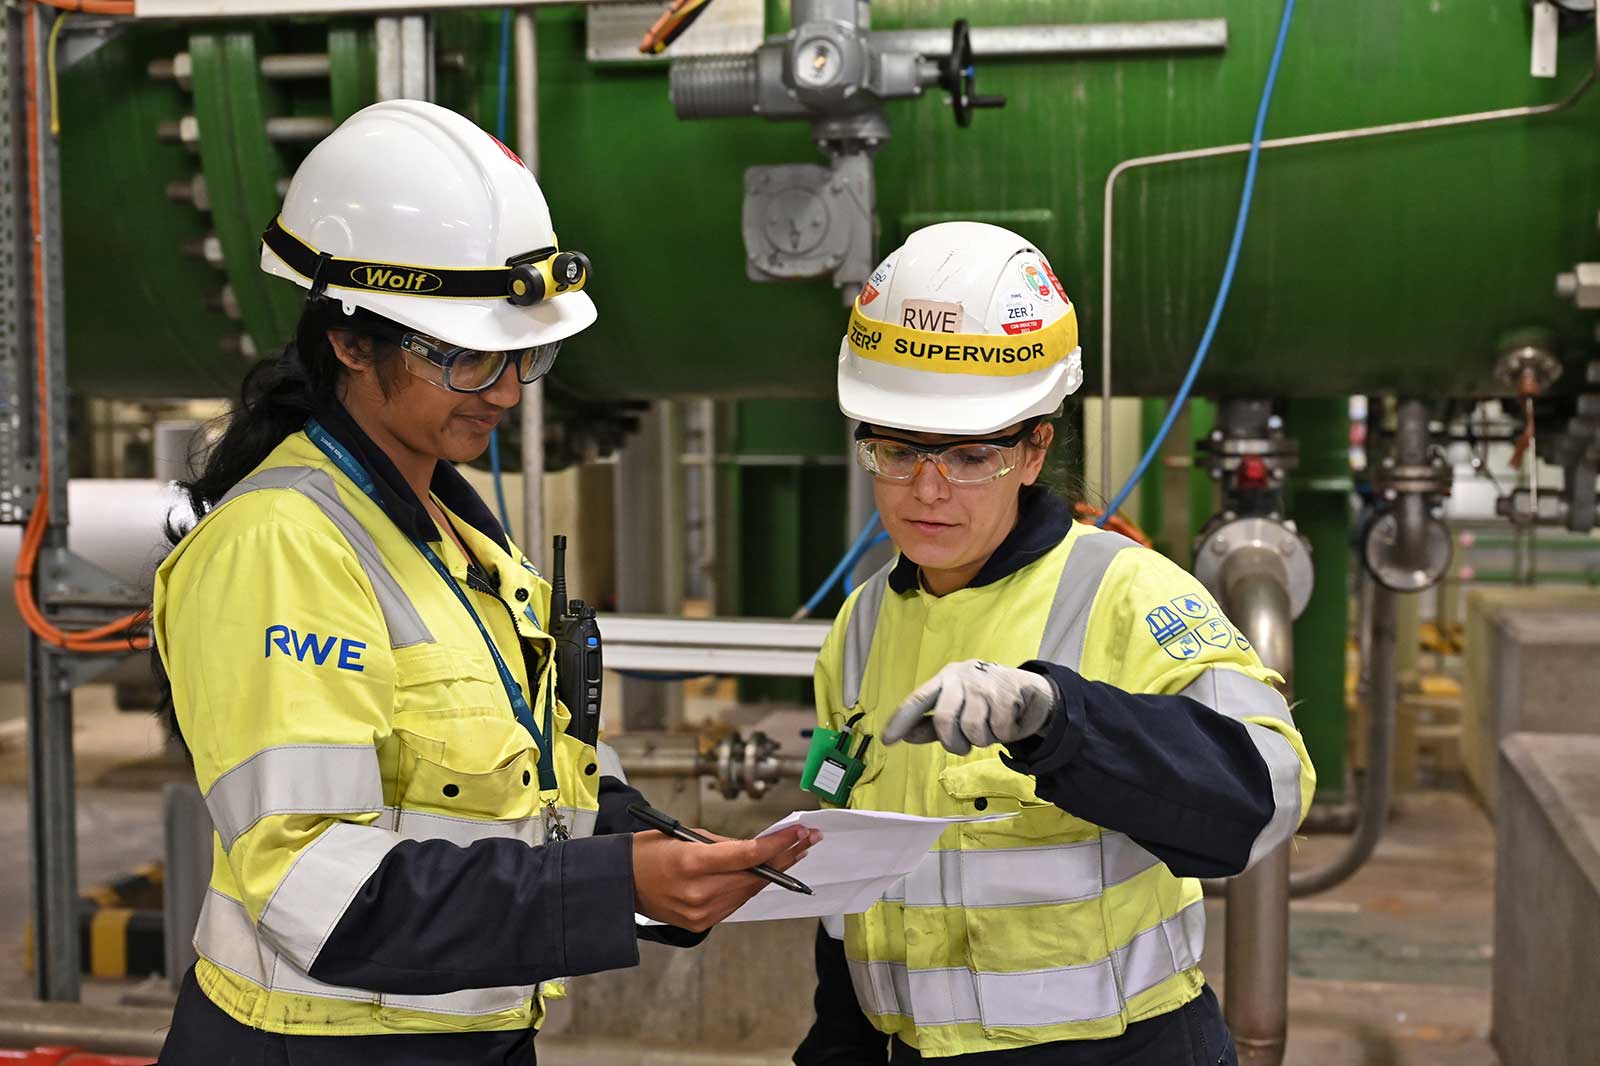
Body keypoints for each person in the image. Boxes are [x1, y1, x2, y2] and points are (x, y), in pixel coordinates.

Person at [151, 99, 815, 1065]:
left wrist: (666, 852)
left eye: (522, 354)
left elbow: (527, 781)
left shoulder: (462, 540)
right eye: (464, 356)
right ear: (348, 340)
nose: (505, 389)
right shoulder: (281, 549)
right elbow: (312, 892)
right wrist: (612, 886)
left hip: (469, 1037)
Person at [793, 222, 1315, 1065]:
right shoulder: (860, 627)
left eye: (969, 456)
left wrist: (1061, 721)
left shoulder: (1130, 593)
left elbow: (1264, 801)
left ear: (1035, 448)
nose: (927, 491)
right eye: (897, 451)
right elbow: (849, 877)